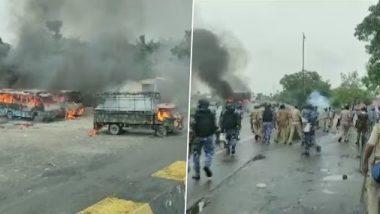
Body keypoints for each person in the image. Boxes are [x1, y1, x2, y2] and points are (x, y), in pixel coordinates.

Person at [192, 99, 218, 180]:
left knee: (196, 155)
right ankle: (206, 165)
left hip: (198, 137)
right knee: (209, 152)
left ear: (200, 105)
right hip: (209, 137)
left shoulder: (196, 115)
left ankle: (197, 174)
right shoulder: (211, 115)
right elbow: (214, 126)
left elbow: (193, 126)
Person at [363, 122, 380, 214]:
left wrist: (365, 161)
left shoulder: (378, 127)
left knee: (373, 191)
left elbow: (370, 145)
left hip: (378, 167)